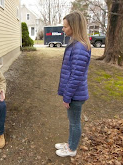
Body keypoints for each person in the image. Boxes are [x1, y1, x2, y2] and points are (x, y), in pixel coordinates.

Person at [55, 11, 91, 157]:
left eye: (65, 27)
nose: (63, 29)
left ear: (74, 27)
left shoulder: (79, 47)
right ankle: (70, 143)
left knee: (75, 123)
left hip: (75, 95)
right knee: (72, 121)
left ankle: (72, 149)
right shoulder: (75, 44)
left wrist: (67, 97)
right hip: (74, 94)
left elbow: (76, 76)